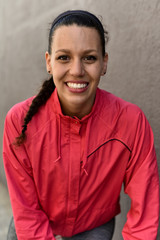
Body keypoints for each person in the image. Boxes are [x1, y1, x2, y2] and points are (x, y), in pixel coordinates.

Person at [3, 10, 159, 240]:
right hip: (35, 218)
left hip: (93, 224)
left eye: (90, 58)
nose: (77, 70)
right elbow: (26, 210)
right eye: (64, 57)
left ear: (104, 63)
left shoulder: (131, 122)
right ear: (49, 62)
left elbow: (144, 217)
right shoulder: (19, 122)